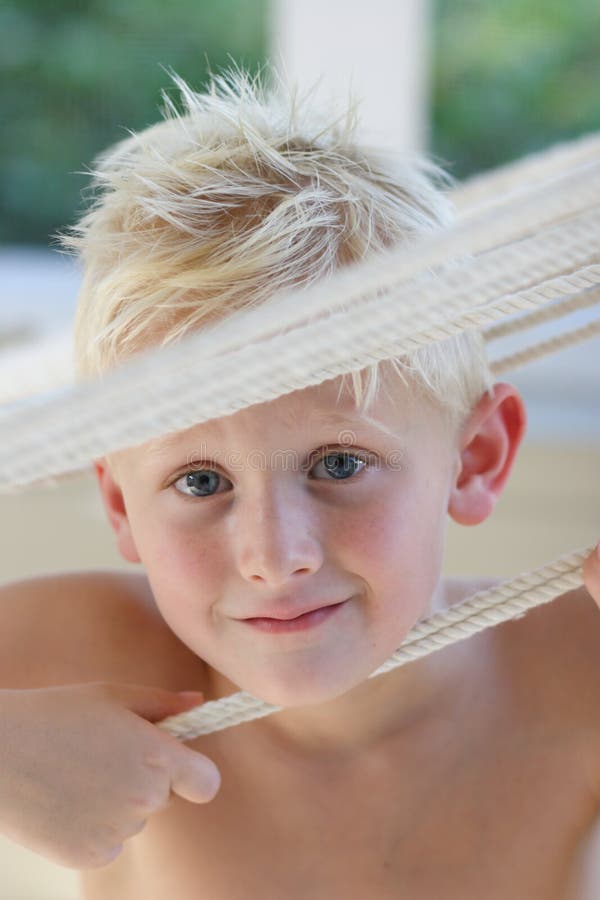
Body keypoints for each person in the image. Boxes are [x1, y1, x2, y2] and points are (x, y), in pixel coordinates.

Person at [1, 69, 599, 900]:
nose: (274, 557)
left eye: (339, 464)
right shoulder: (89, 648)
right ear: (118, 504)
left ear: (476, 458)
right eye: (201, 480)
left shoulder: (577, 667)